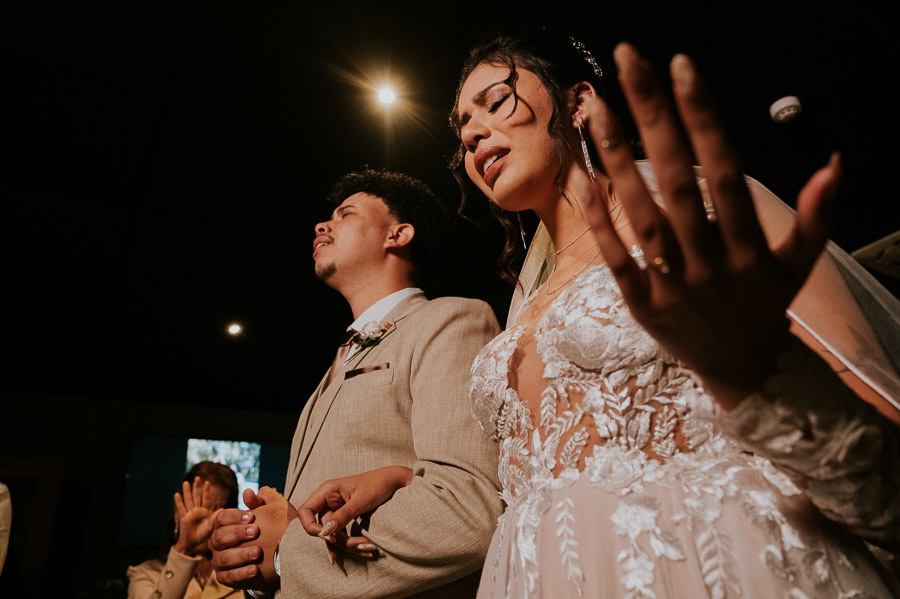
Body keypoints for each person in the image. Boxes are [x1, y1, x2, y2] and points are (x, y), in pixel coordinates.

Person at [298, 29, 900, 598]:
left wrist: (767, 382)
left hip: (713, 562)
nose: (474, 134)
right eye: (463, 128)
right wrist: (404, 478)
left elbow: (883, 467)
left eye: (495, 103)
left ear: (579, 101)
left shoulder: (702, 224)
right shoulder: (526, 302)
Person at [208, 168, 504, 597]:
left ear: (398, 235)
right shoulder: (335, 364)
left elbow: (466, 510)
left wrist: (284, 555)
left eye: (345, 213)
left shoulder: (451, 321)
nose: (321, 225)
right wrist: (254, 553)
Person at [127, 461, 240, 599]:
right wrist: (183, 548)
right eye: (196, 506)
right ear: (177, 513)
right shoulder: (147, 574)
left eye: (217, 510)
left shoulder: (244, 577)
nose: (206, 522)